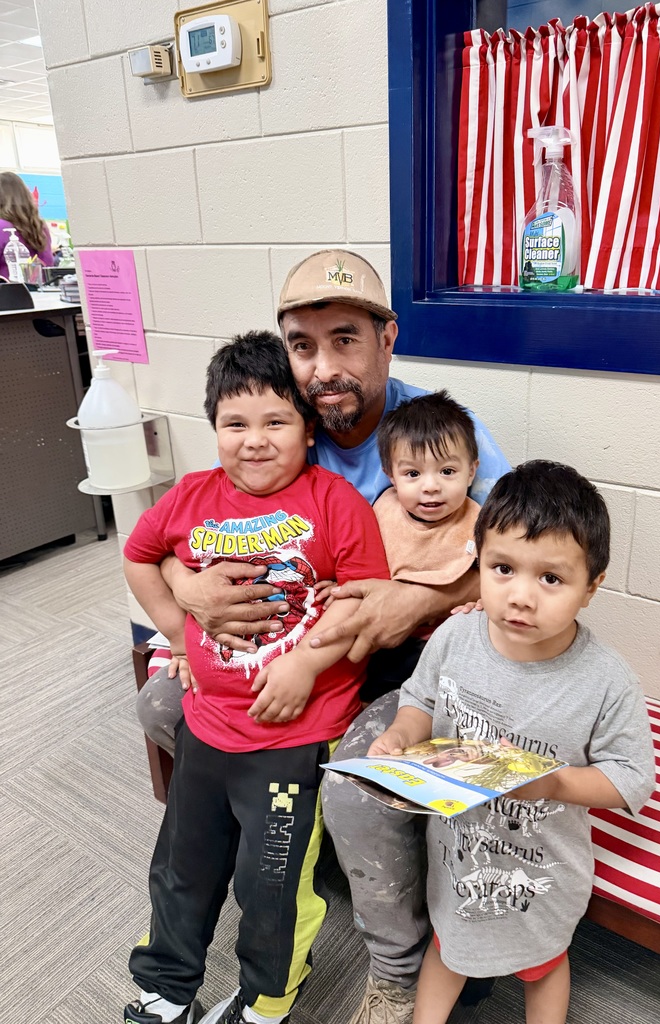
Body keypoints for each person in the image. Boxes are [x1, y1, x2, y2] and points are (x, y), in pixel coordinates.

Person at [136, 250, 512, 1024]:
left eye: (345, 339)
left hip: (406, 664)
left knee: (356, 784)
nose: (323, 365)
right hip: (294, 652)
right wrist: (185, 589)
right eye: (303, 346)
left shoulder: (436, 430)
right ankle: (254, 843)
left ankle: (397, 970)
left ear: (387, 340)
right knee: (162, 704)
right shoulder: (283, 432)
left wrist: (413, 602)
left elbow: (520, 550)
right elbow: (181, 529)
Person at [122, 331, 390, 1024]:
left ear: (307, 431)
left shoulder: (335, 502)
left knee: (270, 885)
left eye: (276, 421)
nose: (254, 440)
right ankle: (166, 984)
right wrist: (179, 633)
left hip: (295, 738)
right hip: (208, 725)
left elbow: (367, 600)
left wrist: (306, 663)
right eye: (234, 424)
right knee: (183, 867)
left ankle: (267, 1000)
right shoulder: (189, 497)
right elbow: (139, 556)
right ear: (212, 429)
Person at [368, 461, 656, 1024]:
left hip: (542, 870)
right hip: (456, 856)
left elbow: (629, 777)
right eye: (502, 568)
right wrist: (401, 735)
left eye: (551, 578)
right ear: (479, 563)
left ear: (591, 588)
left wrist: (555, 782)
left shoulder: (606, 679)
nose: (521, 597)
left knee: (543, 964)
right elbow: (420, 700)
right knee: (448, 947)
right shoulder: (454, 636)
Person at [362, 389, 481, 703]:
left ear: (471, 471)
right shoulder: (382, 511)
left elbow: (496, 580)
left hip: (450, 649)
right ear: (390, 476)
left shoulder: (480, 524)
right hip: (385, 649)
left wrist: (480, 603)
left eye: (447, 471)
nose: (431, 486)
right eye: (413, 473)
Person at [0, 171, 54, 280]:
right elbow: (48, 263)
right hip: (40, 290)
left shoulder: (2, 226)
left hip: (8, 291)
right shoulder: (39, 226)